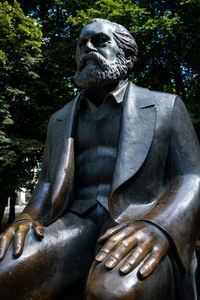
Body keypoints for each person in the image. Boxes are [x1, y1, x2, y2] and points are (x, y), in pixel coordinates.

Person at [0, 18, 200, 300]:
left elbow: (192, 177)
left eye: (99, 41)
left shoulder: (166, 107)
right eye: (82, 45)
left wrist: (158, 225)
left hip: (138, 218)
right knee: (6, 271)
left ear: (127, 56)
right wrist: (27, 217)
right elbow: (45, 182)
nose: (88, 49)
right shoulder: (58, 120)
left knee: (111, 292)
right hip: (73, 221)